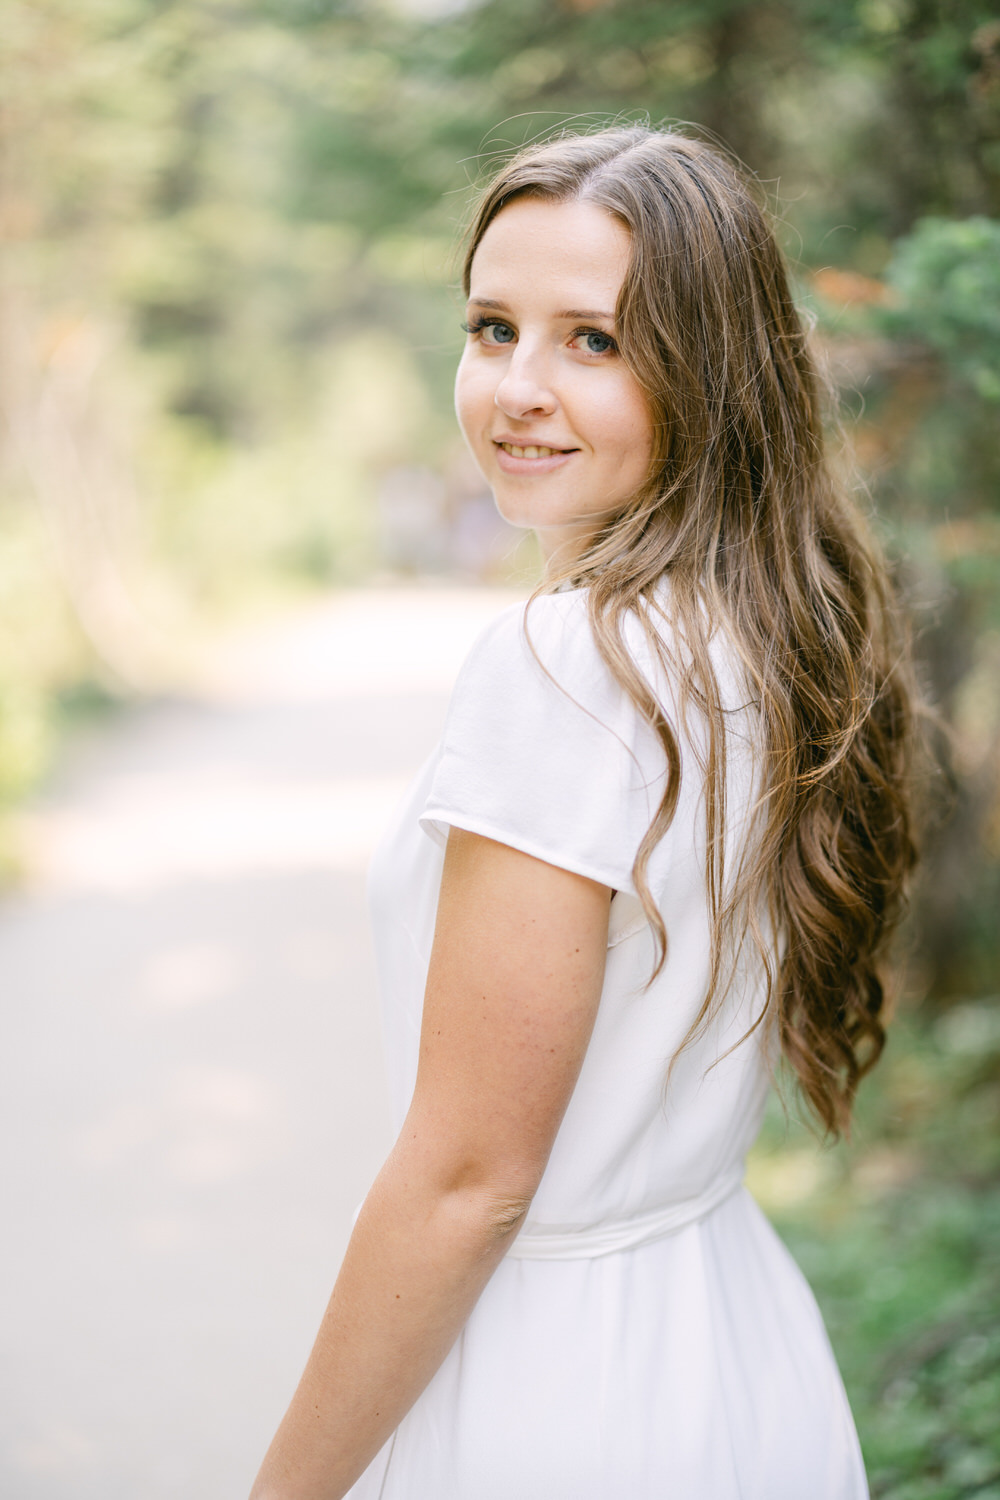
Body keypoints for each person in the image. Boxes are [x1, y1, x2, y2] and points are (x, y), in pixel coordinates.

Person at [249, 124, 918, 1500]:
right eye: (493, 328)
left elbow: (468, 1178)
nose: (517, 389)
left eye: (594, 342)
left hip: (554, 1390)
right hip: (729, 1338)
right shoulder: (761, 629)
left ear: (712, 374)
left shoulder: (566, 667)